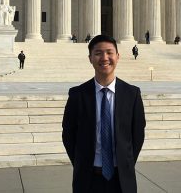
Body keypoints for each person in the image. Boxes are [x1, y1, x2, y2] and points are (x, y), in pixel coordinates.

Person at [62, 35, 146, 193]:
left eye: (109, 52)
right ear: (90, 58)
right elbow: (68, 135)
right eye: (98, 53)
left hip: (121, 180)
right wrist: (83, 163)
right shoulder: (77, 95)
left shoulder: (132, 94)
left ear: (118, 56)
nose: (104, 58)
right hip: (88, 179)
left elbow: (137, 136)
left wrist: (125, 163)